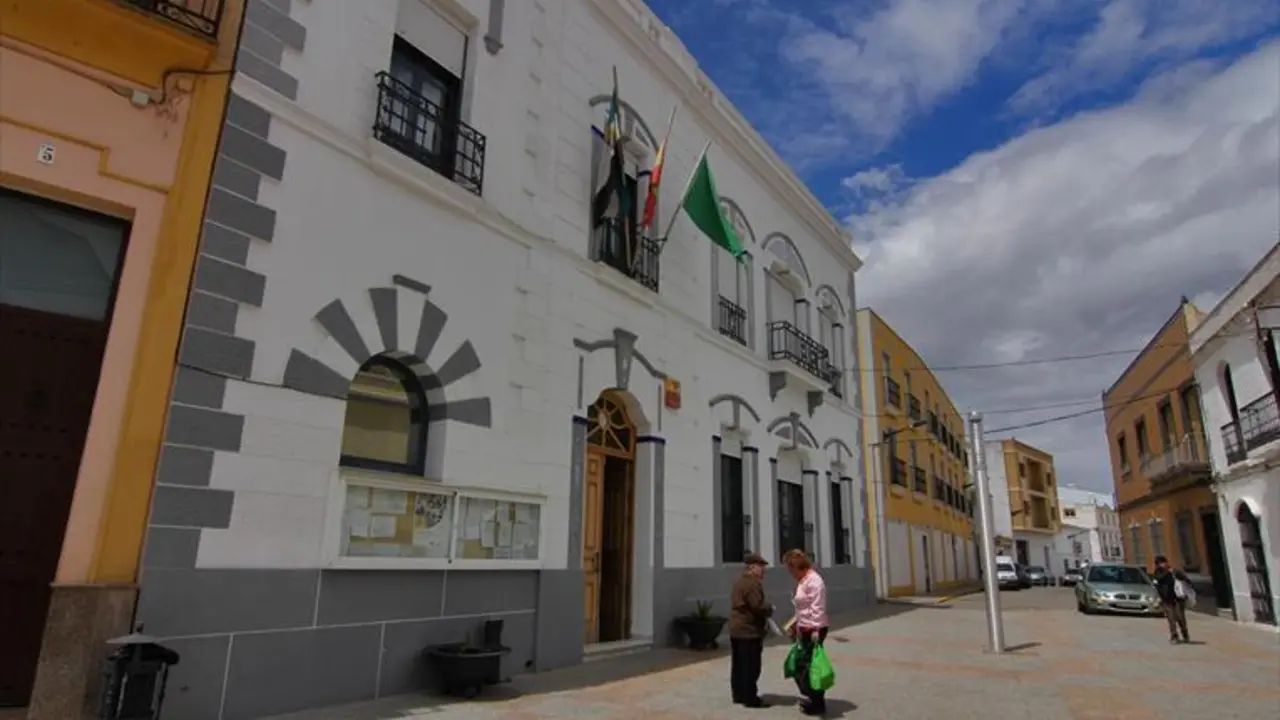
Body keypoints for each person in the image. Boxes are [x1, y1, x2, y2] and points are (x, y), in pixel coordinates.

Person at [784, 549, 829, 716]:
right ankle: (813, 697)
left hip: (814, 629)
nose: (790, 574)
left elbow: (818, 607)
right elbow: (801, 608)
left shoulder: (815, 581)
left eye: (791, 570)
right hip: (804, 627)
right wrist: (794, 624)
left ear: (797, 567)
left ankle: (817, 702)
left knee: (809, 667)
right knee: (800, 665)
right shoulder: (803, 581)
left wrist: (816, 629)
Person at [729, 552, 773, 708]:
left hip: (736, 629)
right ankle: (750, 698)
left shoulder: (739, 582)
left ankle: (738, 694)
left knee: (738, 664)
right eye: (761, 567)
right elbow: (757, 606)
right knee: (751, 665)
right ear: (752, 567)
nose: (763, 571)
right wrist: (769, 608)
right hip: (748, 630)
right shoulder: (752, 584)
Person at [1151, 555, 1192, 644]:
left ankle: (1185, 635)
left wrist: (1185, 584)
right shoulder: (1157, 573)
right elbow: (1157, 582)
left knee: (1180, 618)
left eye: (1163, 562)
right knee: (1171, 619)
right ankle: (1174, 636)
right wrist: (1157, 599)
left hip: (1178, 598)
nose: (1163, 564)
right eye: (1160, 563)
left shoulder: (1174, 571)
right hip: (1166, 600)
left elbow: (1186, 580)